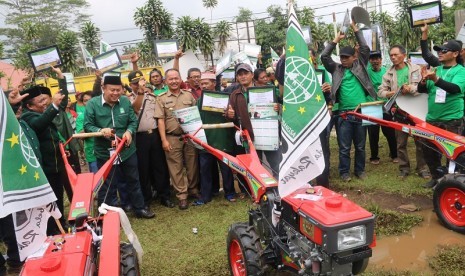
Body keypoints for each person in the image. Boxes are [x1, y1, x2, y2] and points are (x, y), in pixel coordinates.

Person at [84, 75, 155, 219]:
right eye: (112, 90)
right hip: (105, 152)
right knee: (107, 183)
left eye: (119, 90)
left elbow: (132, 121)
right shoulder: (93, 104)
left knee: (133, 179)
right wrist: (99, 130)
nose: (116, 93)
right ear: (103, 88)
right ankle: (106, 213)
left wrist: (129, 131)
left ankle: (139, 208)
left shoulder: (124, 101)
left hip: (127, 150)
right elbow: (87, 125)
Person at [321, 20, 377, 182]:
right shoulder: (336, 69)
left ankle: (360, 171)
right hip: (343, 115)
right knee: (344, 147)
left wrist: (355, 29)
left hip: (360, 113)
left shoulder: (361, 65)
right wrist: (335, 40)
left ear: (354, 57)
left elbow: (365, 49)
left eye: (347, 57)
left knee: (360, 146)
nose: (344, 60)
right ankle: (344, 173)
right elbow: (324, 56)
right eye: (341, 57)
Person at [20, 66, 70, 233]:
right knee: (49, 200)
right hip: (44, 169)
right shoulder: (28, 117)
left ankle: (61, 223)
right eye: (41, 101)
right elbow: (40, 124)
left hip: (56, 165)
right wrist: (53, 106)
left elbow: (61, 100)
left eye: (47, 100)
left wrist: (61, 78)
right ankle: (52, 229)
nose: (46, 104)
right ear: (30, 105)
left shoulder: (46, 112)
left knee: (58, 196)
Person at [378, 45, 430, 180]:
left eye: (396, 55)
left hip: (417, 111)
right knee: (401, 142)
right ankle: (404, 168)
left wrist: (411, 88)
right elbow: (380, 92)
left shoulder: (417, 69)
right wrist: (392, 93)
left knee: (421, 141)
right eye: (391, 55)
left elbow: (424, 87)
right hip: (400, 111)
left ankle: (422, 168)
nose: (393, 57)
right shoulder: (388, 73)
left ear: (404, 55)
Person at [418, 40, 465, 188]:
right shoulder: (436, 69)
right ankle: (436, 177)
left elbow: (454, 88)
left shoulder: (461, 71)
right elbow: (422, 90)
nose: (440, 52)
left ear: (456, 53)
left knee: (452, 152)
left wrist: (436, 79)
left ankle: (452, 181)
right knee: (428, 149)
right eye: (438, 50)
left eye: (444, 50)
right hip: (432, 119)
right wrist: (424, 82)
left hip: (452, 119)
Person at [127, 70, 174, 208]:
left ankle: (164, 195)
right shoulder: (128, 99)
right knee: (143, 169)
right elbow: (135, 109)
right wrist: (140, 93)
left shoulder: (153, 97)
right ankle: (146, 199)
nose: (138, 85)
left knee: (160, 166)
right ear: (131, 85)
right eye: (135, 83)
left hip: (154, 135)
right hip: (140, 137)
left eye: (140, 82)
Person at [154, 69, 199, 210]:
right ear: (165, 81)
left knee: (192, 165)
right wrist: (163, 140)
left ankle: (193, 190)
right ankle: (182, 196)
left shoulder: (188, 95)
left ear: (180, 79)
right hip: (172, 138)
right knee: (175, 167)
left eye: (176, 78)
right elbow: (160, 121)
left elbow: (196, 115)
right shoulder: (161, 98)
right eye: (170, 79)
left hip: (190, 136)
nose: (173, 81)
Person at [193, 71, 236, 205]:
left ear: (214, 83)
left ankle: (230, 193)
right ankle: (206, 195)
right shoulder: (199, 101)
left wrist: (230, 114)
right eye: (201, 84)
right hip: (206, 140)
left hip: (223, 138)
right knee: (205, 169)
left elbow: (232, 116)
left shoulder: (225, 98)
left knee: (225, 168)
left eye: (206, 83)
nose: (204, 86)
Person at [366, 51, 397, 165]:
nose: (375, 61)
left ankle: (394, 154)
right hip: (370, 105)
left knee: (389, 131)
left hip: (386, 105)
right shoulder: (366, 72)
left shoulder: (387, 71)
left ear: (381, 59)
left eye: (377, 58)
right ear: (369, 61)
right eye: (372, 59)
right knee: (373, 133)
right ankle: (374, 157)